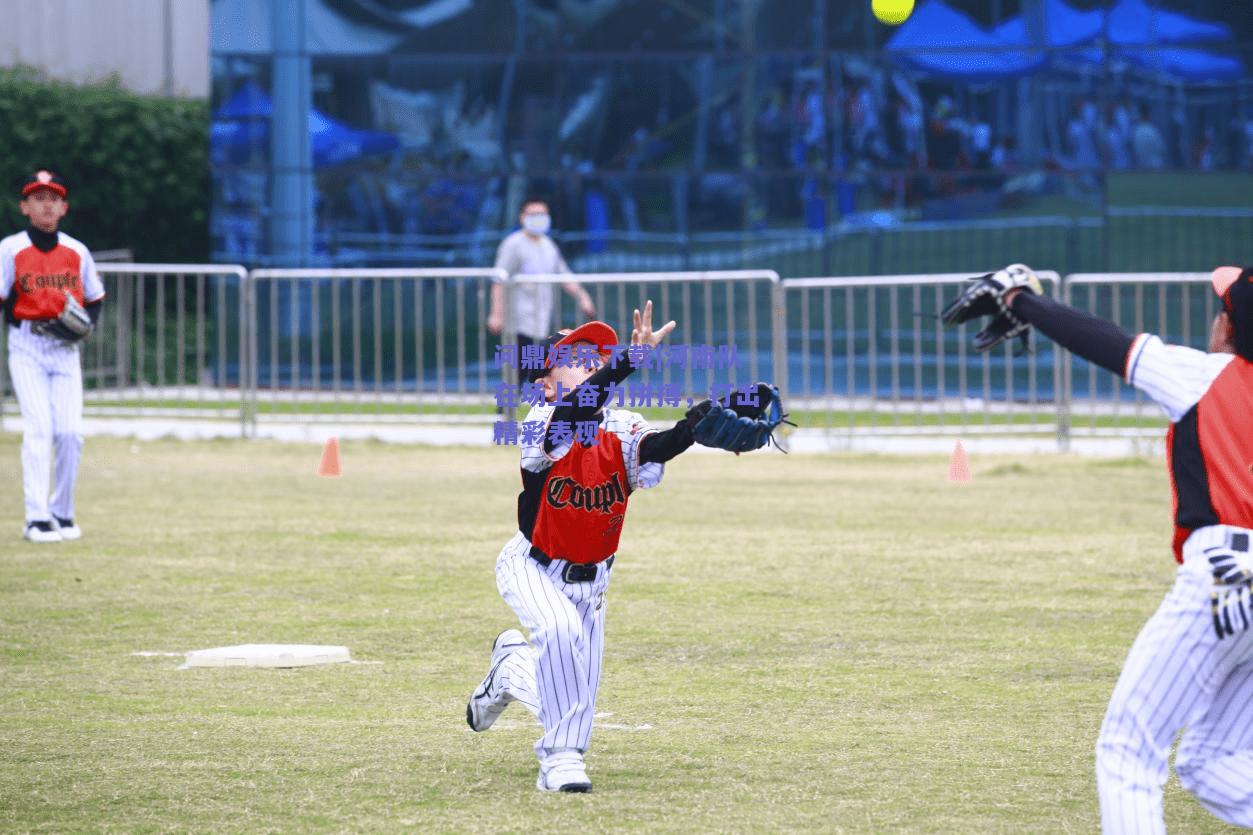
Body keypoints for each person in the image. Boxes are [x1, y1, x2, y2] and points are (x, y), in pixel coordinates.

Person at [971, 265, 1253, 832]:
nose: (1215, 319)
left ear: (1233, 324)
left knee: (1128, 751)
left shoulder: (1207, 375)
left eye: (1221, 309)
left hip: (1226, 574)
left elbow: (1108, 344)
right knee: (1212, 761)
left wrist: (1019, 299)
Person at [466, 301, 774, 793]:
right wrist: (627, 360)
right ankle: (561, 760)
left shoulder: (623, 424)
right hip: (533, 565)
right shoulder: (541, 420)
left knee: (567, 692)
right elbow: (577, 410)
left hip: (594, 578)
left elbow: (653, 448)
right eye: (575, 356)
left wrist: (694, 427)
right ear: (545, 382)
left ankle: (509, 668)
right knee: (560, 634)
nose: (590, 363)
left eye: (595, 356)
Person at [0, 170, 105, 543]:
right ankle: (36, 518)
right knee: (39, 429)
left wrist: (83, 326)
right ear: (25, 206)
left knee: (71, 433)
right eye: (38, 197)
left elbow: (94, 300)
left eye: (53, 197)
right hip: (27, 343)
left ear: (64, 207)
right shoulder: (10, 249)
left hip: (65, 349)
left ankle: (61, 510)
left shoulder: (77, 252)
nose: (46, 204)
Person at [485, 199, 595, 361]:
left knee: (537, 369)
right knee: (521, 368)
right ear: (522, 217)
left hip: (542, 319)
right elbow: (499, 279)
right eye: (533, 214)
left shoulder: (548, 245)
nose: (538, 218)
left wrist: (583, 297)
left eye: (542, 214)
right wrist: (496, 314)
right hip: (519, 321)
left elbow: (563, 275)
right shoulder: (513, 244)